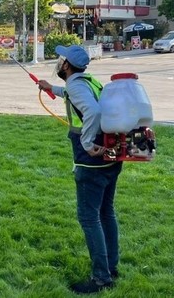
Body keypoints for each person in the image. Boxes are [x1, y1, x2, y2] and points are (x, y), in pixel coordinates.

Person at [37, 45, 122, 294]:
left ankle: (100, 278)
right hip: (111, 157)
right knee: (106, 212)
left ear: (67, 65)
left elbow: (92, 110)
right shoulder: (88, 81)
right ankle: (111, 267)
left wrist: (86, 143)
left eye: (61, 59)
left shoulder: (76, 84)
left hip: (91, 160)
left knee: (88, 217)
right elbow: (79, 96)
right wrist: (51, 88)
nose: (58, 62)